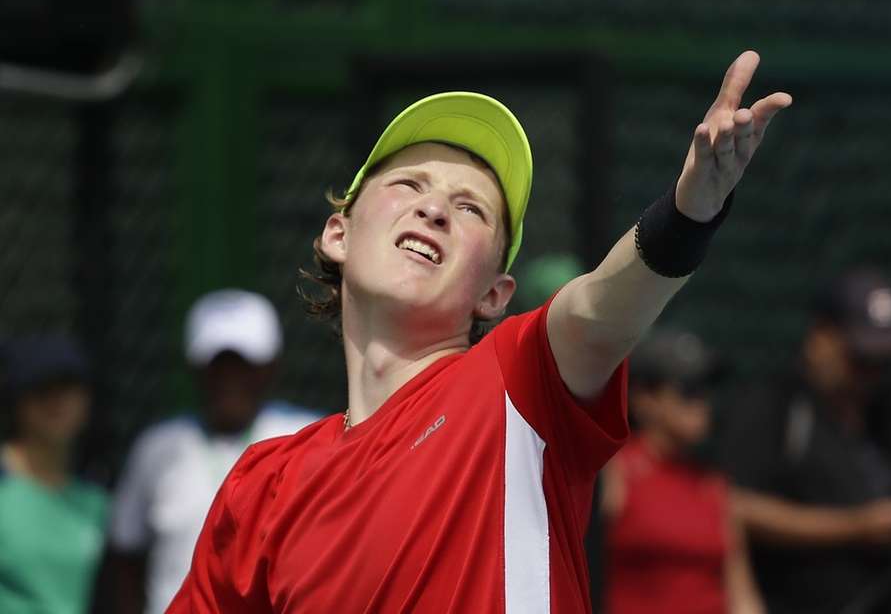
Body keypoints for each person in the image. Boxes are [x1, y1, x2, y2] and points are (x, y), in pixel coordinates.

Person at [166, 51, 790, 612]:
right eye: (409, 183)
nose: (434, 208)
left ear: (494, 294)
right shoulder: (263, 484)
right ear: (339, 234)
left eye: (470, 209)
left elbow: (601, 306)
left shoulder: (516, 382)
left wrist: (689, 212)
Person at [719, 268, 891, 613]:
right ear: (820, 338)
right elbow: (734, 506)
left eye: (883, 360)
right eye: (860, 359)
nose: (872, 373)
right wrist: (856, 526)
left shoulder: (890, 416)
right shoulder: (776, 406)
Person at [108, 290, 318, 614]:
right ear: (194, 368)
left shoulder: (308, 438)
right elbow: (125, 558)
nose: (230, 379)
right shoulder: (157, 447)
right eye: (218, 366)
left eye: (245, 366)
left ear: (271, 367)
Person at [601, 329, 764, 614]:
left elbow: (741, 595)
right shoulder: (616, 470)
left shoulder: (713, 484)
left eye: (707, 389)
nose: (703, 403)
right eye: (689, 389)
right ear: (645, 398)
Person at [0, 335, 108, 614]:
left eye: (69, 388)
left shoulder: (97, 500)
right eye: (42, 389)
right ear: (17, 399)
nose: (57, 402)